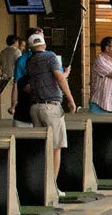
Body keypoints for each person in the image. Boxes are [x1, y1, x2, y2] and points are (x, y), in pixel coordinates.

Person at [10, 30, 76, 196]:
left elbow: (40, 80)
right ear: (44, 44)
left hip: (35, 108)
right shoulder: (50, 56)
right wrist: (71, 99)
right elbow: (59, 79)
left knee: (42, 148)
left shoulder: (29, 61)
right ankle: (52, 187)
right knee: (56, 148)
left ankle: (41, 185)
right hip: (51, 108)